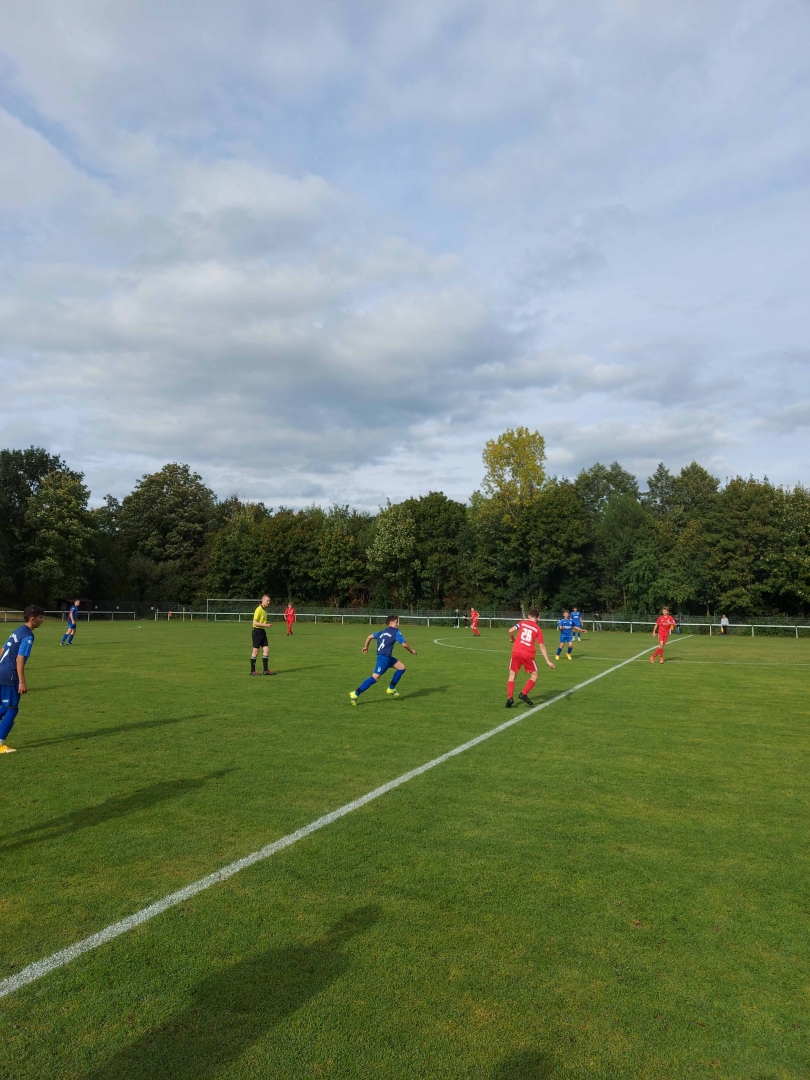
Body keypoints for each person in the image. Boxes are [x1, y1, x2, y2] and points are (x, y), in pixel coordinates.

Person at [0, 604, 45, 753]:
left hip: (1, 671)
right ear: (32, 619)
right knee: (12, 709)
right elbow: (19, 659)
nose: (42, 620)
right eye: (40, 617)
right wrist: (22, 681)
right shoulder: (28, 636)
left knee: (5, 706)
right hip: (10, 675)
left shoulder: (18, 630)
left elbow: (2, 650)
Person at [350, 615, 417, 705]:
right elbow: (404, 644)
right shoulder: (396, 632)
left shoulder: (381, 632)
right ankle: (355, 693)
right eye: (396, 622)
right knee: (375, 677)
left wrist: (366, 647)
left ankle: (391, 689)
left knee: (402, 667)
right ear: (391, 623)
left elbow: (369, 637)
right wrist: (411, 651)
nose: (398, 624)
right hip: (383, 659)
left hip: (387, 658)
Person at [506, 607, 555, 708]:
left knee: (512, 675)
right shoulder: (538, 629)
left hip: (516, 652)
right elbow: (541, 646)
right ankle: (523, 693)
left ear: (528, 616)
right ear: (538, 618)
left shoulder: (522, 623)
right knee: (534, 675)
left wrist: (512, 639)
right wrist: (548, 661)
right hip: (528, 654)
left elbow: (510, 630)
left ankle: (510, 697)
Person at [250, 595, 275, 675]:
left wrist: (265, 625)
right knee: (255, 651)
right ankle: (252, 671)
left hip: (262, 632)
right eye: (267, 601)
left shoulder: (265, 610)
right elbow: (254, 622)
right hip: (257, 632)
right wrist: (266, 625)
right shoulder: (258, 609)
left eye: (269, 601)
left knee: (266, 650)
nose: (268, 602)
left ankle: (265, 670)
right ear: (263, 600)